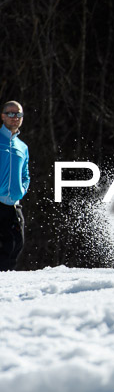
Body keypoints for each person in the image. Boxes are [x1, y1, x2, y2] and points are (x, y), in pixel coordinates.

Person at [0, 101, 30, 271]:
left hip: (12, 204)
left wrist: (22, 190)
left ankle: (5, 283)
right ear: (3, 116)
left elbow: (25, 175)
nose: (14, 118)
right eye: (10, 114)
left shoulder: (22, 147)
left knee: (15, 245)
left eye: (18, 114)